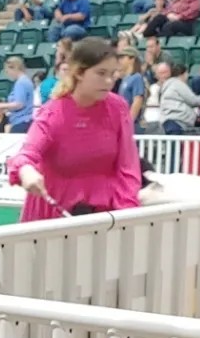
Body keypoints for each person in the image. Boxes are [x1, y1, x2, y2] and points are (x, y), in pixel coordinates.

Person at [8, 37, 140, 220]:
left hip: (106, 213)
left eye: (113, 73)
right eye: (101, 73)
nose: (109, 81)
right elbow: (26, 154)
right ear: (78, 72)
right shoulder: (53, 113)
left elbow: (128, 166)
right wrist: (26, 170)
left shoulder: (118, 107)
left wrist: (127, 212)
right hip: (54, 214)